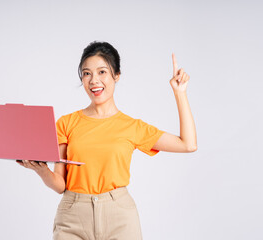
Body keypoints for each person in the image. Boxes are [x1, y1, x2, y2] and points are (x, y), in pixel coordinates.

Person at [16, 41, 197, 240]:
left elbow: (188, 145)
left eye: (102, 72)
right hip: (73, 216)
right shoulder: (66, 123)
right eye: (87, 73)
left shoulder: (132, 126)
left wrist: (180, 93)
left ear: (116, 75)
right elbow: (60, 185)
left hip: (119, 216)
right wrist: (41, 170)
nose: (94, 80)